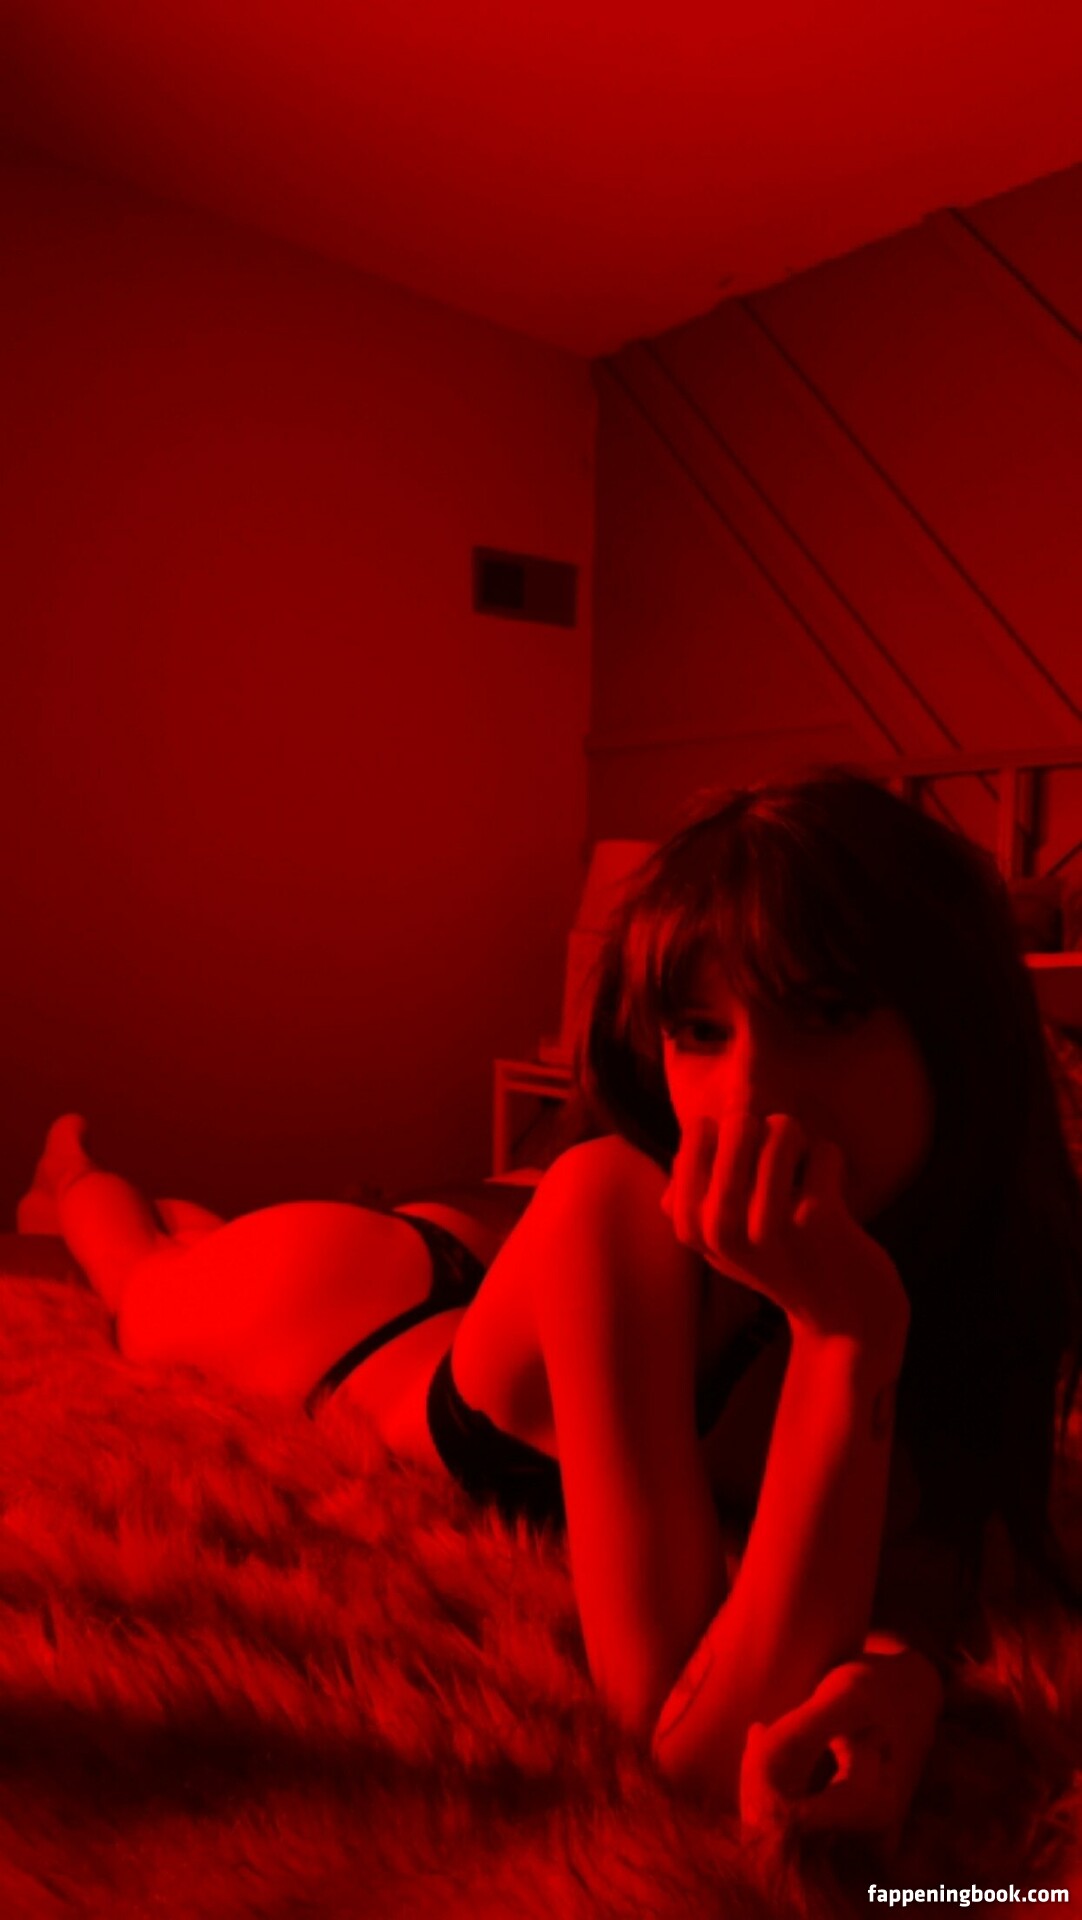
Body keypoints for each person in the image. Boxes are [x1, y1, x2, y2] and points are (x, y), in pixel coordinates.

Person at [17, 763, 1082, 1855]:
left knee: (201, 1240)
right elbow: (692, 1748)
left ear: (959, 1036)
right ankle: (72, 1167)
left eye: (827, 1014)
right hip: (350, 1304)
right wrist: (843, 1340)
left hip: (526, 1260)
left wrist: (903, 1675)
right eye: (697, 1030)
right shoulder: (617, 1204)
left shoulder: (985, 1252)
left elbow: (935, 1546)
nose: (747, 1099)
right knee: (144, 1278)